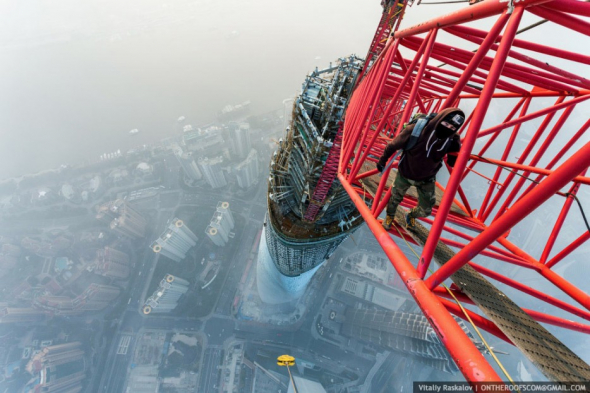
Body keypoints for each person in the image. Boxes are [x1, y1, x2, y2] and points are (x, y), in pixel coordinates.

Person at [376, 107, 465, 230]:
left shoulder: (452, 138)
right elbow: (393, 145)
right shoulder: (418, 129)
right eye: (445, 124)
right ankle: (389, 217)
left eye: (452, 128)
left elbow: (452, 161)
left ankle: (411, 214)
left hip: (426, 178)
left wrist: (458, 155)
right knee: (394, 199)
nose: (447, 129)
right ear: (439, 120)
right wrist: (382, 160)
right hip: (405, 173)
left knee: (427, 209)